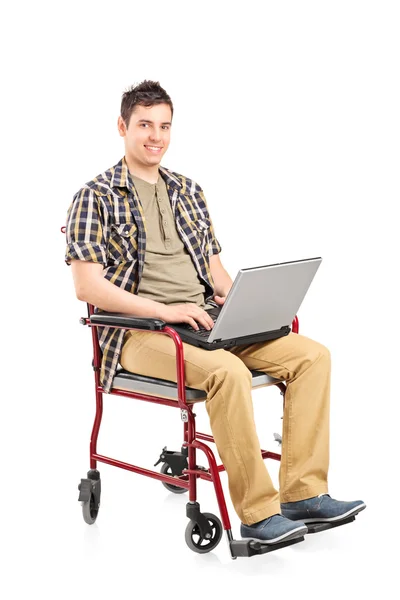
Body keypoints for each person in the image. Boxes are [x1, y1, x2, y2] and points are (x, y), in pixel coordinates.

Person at [65, 80, 366, 545]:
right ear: (122, 127)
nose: (155, 136)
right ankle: (257, 516)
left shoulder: (188, 190)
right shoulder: (95, 195)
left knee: (312, 356)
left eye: (164, 126)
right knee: (227, 372)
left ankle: (304, 494)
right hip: (140, 334)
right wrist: (167, 310)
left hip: (204, 320)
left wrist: (243, 301)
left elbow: (214, 270)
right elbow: (88, 286)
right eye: (144, 125)